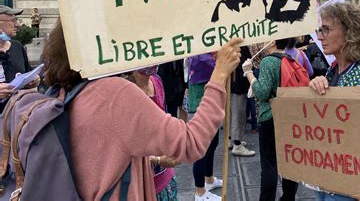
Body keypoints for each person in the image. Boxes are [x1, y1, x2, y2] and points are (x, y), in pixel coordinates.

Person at [42, 20, 242, 200]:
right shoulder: (114, 93)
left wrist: (151, 159)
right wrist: (220, 74)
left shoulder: (63, 92)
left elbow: (108, 159)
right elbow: (191, 142)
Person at [308, 3, 360, 201]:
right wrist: (316, 86)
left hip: (351, 181)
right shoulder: (333, 70)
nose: (320, 37)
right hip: (328, 171)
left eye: (326, 29)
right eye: (320, 30)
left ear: (350, 32)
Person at [242, 38, 299, 201]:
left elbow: (262, 93)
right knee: (288, 161)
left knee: (269, 165)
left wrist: (249, 73)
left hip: (269, 117)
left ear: (273, 42)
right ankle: (288, 197)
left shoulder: (268, 61)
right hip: (287, 117)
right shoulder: (291, 58)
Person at [124, 66, 179, 201]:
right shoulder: (124, 94)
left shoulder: (157, 81)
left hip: (166, 181)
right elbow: (123, 154)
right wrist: (158, 160)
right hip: (142, 187)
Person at [187, 53, 224, 201]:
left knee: (213, 143)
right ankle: (200, 192)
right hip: (201, 104)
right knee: (202, 148)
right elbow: (208, 64)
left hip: (211, 103)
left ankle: (209, 179)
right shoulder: (198, 56)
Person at [0, 5, 36, 112]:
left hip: (17, 115)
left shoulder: (17, 46)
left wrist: (34, 80)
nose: (17, 25)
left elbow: (27, 74)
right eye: (13, 20)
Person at [230, 46, 256, 157]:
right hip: (238, 85)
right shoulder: (238, 47)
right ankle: (237, 144)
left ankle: (233, 139)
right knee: (238, 114)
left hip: (234, 84)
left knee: (233, 113)